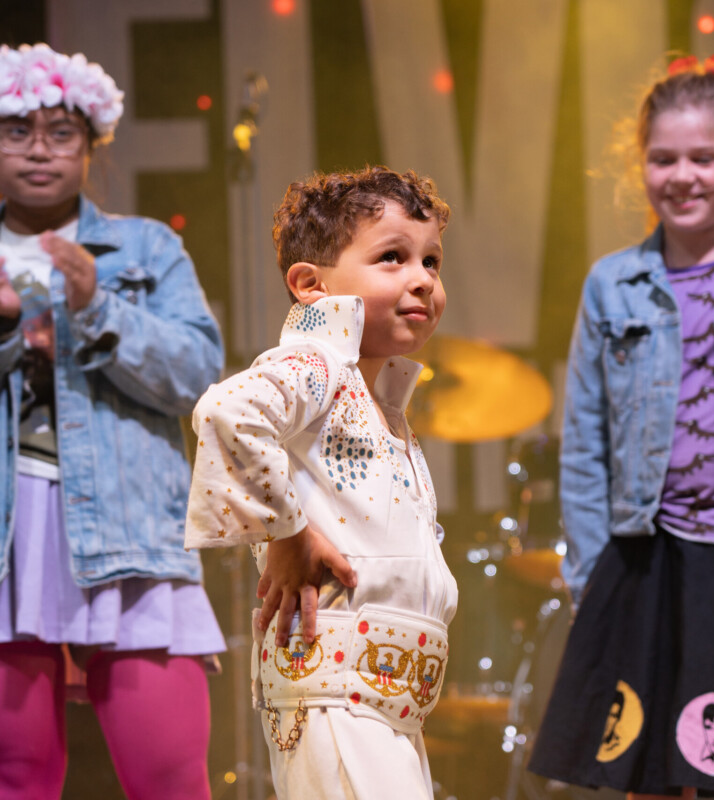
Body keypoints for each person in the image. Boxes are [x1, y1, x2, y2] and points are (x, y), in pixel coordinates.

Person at [528, 52, 714, 798]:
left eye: (703, 158)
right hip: (655, 565)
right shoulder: (613, 284)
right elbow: (586, 446)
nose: (682, 176)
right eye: (663, 159)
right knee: (649, 775)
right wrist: (592, 582)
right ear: (640, 165)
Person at [185, 165, 458, 800]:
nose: (422, 278)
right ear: (311, 285)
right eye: (392, 257)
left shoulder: (375, 396)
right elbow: (227, 412)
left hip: (381, 705)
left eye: (432, 261)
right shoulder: (316, 363)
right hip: (334, 694)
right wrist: (288, 535)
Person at [0, 43, 225, 800]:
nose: (39, 150)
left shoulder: (146, 248)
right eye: (17, 131)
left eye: (60, 133)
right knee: (16, 778)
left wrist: (97, 306)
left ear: (90, 146)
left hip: (130, 532)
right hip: (7, 541)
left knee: (169, 778)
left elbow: (198, 375)